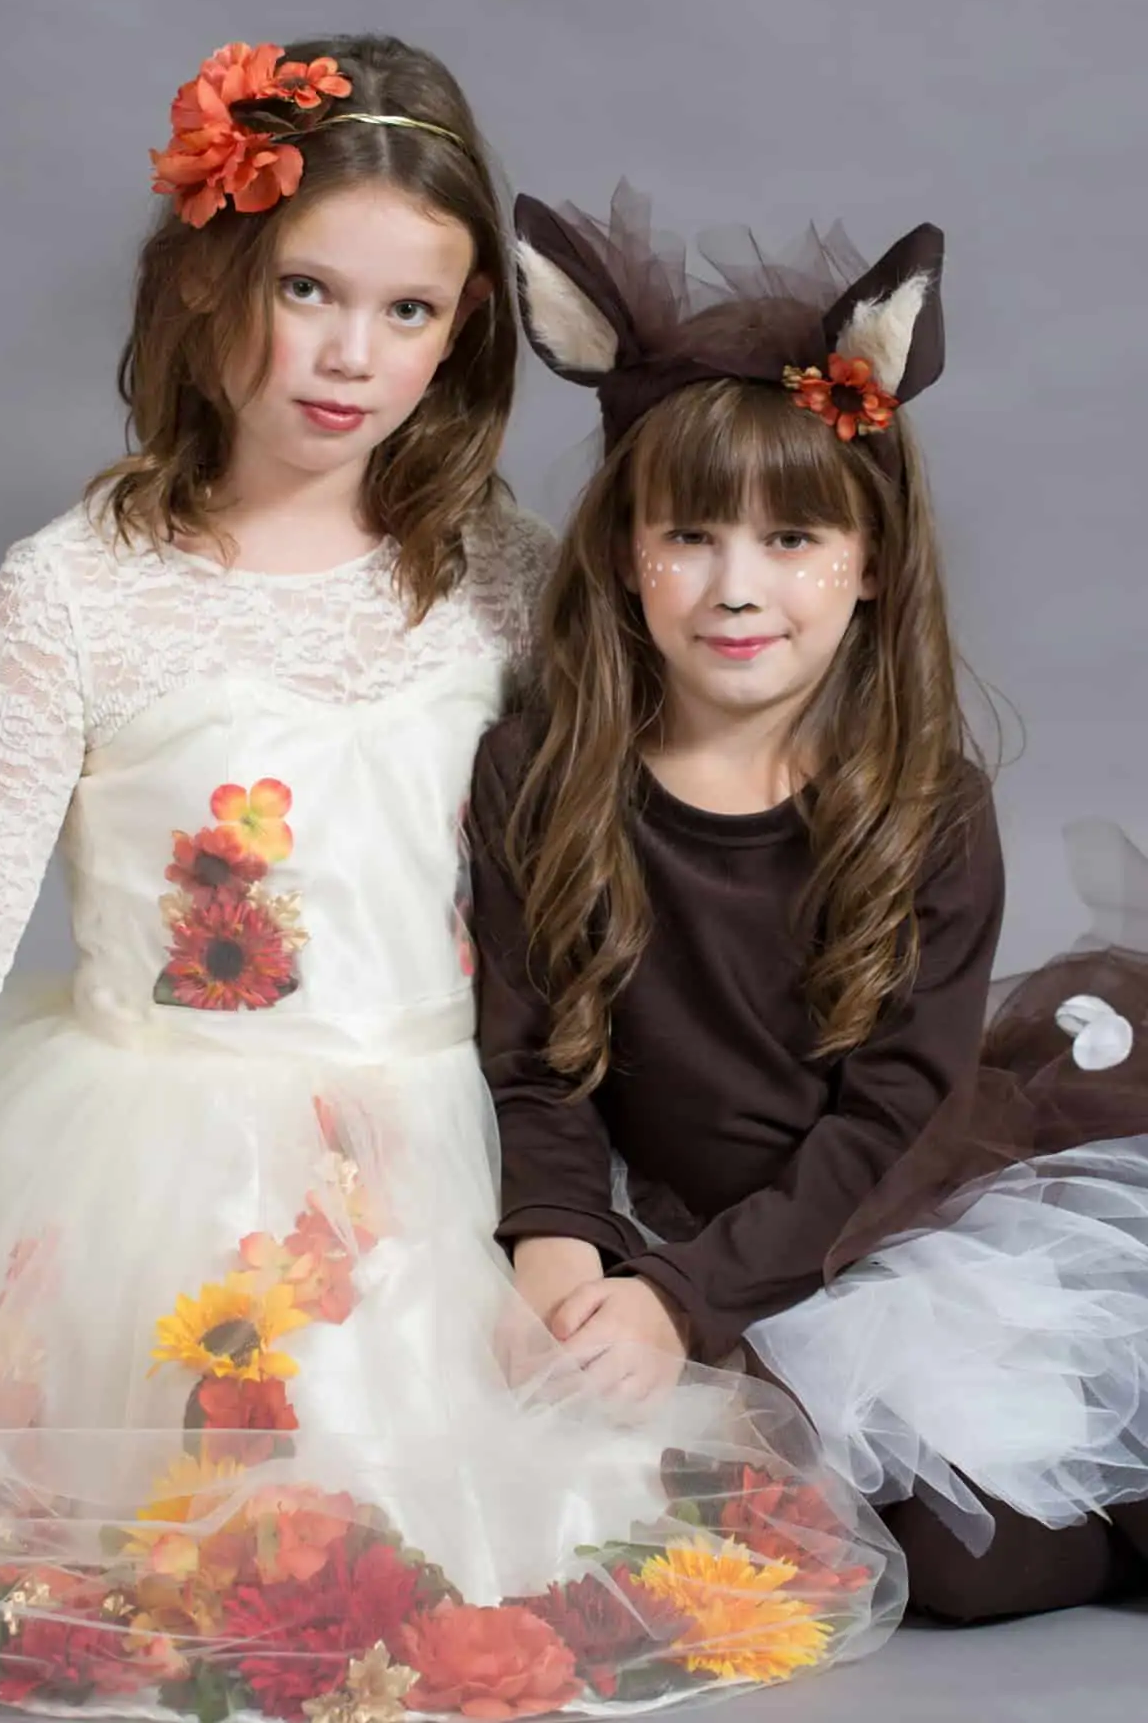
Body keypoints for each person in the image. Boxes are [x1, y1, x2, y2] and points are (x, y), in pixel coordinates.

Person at [0, 51, 897, 1716]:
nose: (345, 355)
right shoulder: (74, 594)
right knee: (202, 1544)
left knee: (492, 1531)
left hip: (445, 1135)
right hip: (158, 1158)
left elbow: (609, 882)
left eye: (409, 312)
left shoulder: (502, 574)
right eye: (307, 288)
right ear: (208, 276)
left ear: (463, 333)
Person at [470, 183, 1148, 1627]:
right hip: (651, 1222)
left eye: (792, 542)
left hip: (870, 1223)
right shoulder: (540, 773)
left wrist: (680, 1301)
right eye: (692, 536)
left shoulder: (925, 806)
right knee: (597, 1516)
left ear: (870, 567)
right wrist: (557, 1248)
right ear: (620, 552)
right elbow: (535, 1065)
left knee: (956, 1566)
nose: (736, 588)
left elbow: (884, 1121)